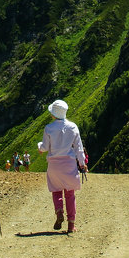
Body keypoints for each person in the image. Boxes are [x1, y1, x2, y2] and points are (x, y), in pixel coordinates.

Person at [38, 99, 87, 232]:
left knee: (56, 190)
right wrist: (82, 164)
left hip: (54, 165)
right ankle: (71, 225)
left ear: (53, 114)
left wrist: (39, 147)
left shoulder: (48, 128)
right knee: (70, 194)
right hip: (69, 164)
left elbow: (44, 147)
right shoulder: (73, 127)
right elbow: (79, 148)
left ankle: (59, 211)